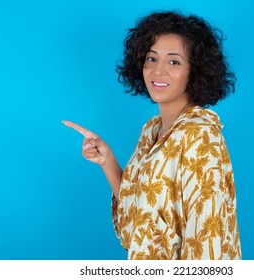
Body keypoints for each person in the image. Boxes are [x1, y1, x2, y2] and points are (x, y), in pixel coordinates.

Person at [63, 11, 241, 260]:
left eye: (174, 62)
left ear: (196, 71)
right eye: (151, 58)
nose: (158, 71)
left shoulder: (199, 136)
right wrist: (107, 161)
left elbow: (209, 237)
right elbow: (140, 216)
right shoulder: (152, 129)